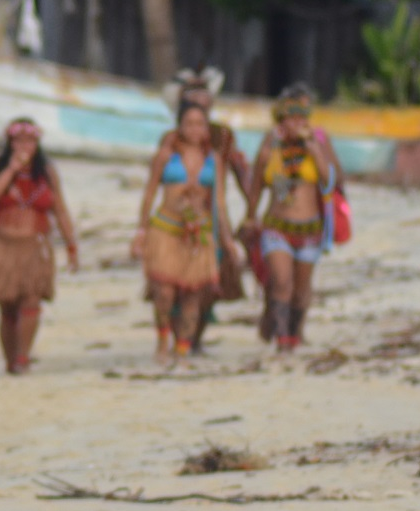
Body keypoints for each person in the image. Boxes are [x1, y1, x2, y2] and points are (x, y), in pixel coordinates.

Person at [132, 99, 239, 367]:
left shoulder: (213, 159)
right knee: (164, 292)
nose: (194, 129)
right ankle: (162, 341)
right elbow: (149, 194)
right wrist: (141, 231)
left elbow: (220, 202)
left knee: (193, 294)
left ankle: (182, 349)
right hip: (167, 228)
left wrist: (227, 239)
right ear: (179, 126)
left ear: (206, 128)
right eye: (189, 123)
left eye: (200, 124)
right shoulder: (166, 155)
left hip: (199, 231)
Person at [243, 84, 343, 352]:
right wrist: (249, 218)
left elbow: (328, 180)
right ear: (281, 122)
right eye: (292, 119)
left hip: (309, 229)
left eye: (302, 118)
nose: (298, 123)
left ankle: (295, 334)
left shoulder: (315, 147)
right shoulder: (269, 152)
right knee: (281, 282)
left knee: (301, 291)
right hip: (277, 226)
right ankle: (283, 340)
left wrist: (313, 148)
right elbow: (255, 190)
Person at [0, 119, 80, 374]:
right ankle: (10, 361)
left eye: (30, 141)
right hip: (3, 245)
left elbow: (60, 209)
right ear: (10, 143)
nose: (25, 146)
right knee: (7, 306)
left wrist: (71, 245)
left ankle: (23, 357)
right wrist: (11, 169)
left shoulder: (46, 172)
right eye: (19, 141)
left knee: (32, 301)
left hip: (34, 245)